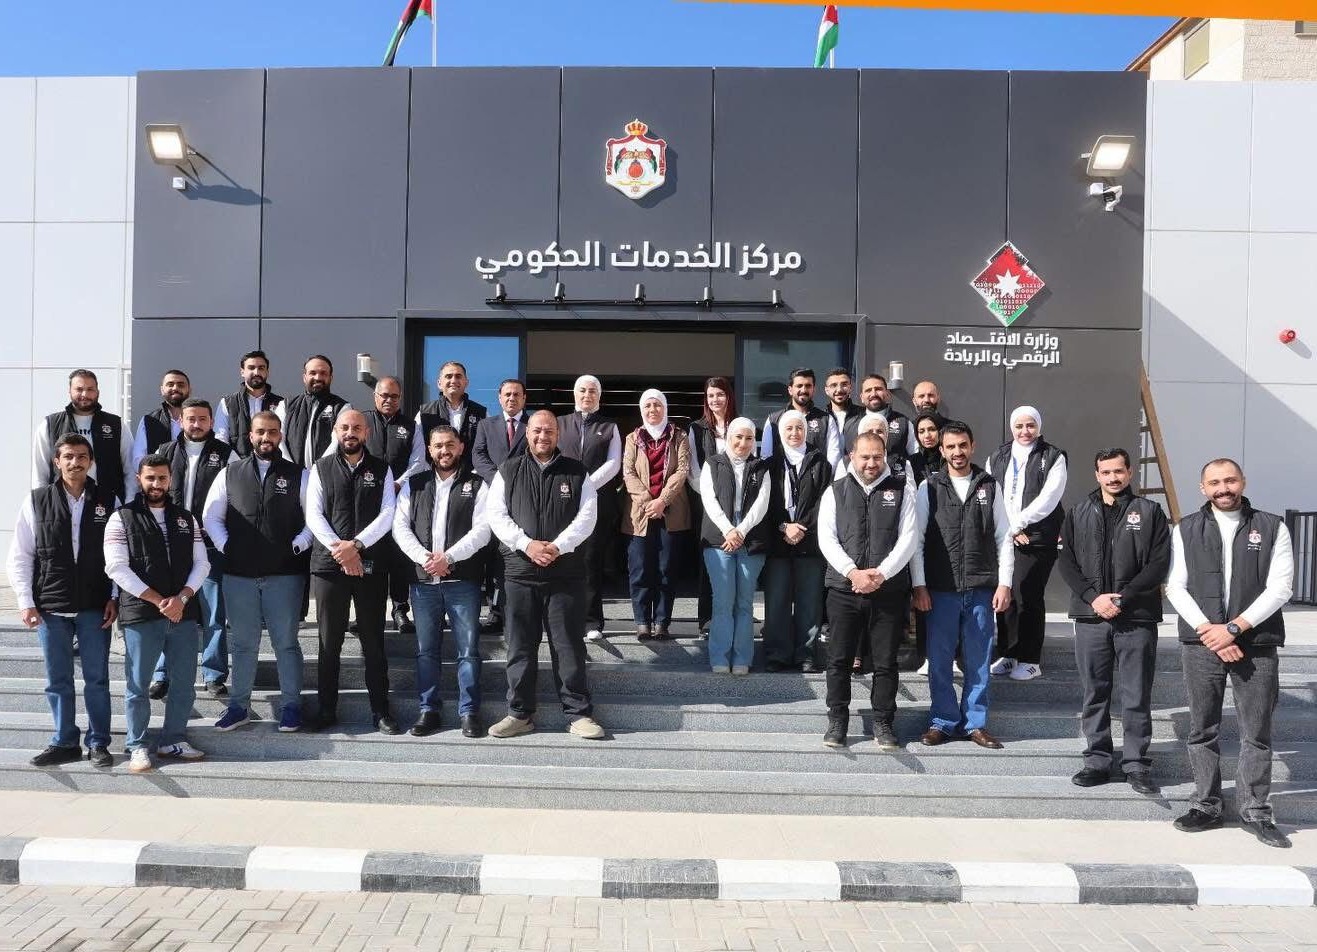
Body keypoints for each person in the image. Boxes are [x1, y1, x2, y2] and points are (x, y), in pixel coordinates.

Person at [1165, 458, 1294, 848]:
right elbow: (1175, 586)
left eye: (1230, 480)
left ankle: (1255, 810)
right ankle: (1206, 805)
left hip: (1256, 644)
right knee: (1202, 729)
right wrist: (1210, 632)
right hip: (1202, 643)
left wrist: (1234, 628)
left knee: (1257, 732)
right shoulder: (1186, 528)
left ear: (1243, 482)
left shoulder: (1272, 527)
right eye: (1215, 482)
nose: (1223, 488)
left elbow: (1280, 588)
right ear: (1203, 488)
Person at [1056, 448, 1170, 797]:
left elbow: (1159, 563)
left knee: (1136, 693)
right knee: (1095, 691)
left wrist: (1124, 597)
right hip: (1091, 616)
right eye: (1105, 472)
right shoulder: (1078, 512)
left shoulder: (1150, 512)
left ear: (1130, 472)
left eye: (1118, 471)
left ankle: (1136, 764)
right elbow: (1066, 562)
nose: (1113, 478)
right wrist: (1094, 598)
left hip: (1136, 616)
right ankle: (1097, 761)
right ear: (1097, 475)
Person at [485, 410, 605, 739]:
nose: (542, 436)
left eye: (549, 431)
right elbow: (496, 515)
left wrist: (557, 547)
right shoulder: (508, 470)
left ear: (558, 434)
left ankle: (578, 714)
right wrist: (527, 545)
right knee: (520, 647)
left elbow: (587, 517)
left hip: (565, 574)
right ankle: (519, 714)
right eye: (537, 430)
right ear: (527, 434)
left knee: (568, 646)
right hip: (520, 574)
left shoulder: (577, 472)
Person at [5, 434, 118, 768]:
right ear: (57, 461)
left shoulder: (108, 500)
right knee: (58, 680)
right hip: (51, 607)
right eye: (68, 456)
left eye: (82, 456)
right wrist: (25, 601)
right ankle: (64, 741)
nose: (75, 462)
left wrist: (114, 596)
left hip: (94, 605)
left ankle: (98, 742)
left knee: (97, 679)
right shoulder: (37, 500)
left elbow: (118, 555)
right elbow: (21, 556)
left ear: (91, 461)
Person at [202, 410, 313, 734]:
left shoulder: (298, 475)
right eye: (260, 432)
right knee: (243, 645)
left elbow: (314, 519)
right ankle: (239, 708)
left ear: (280, 436)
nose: (266, 438)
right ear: (250, 436)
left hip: (285, 575)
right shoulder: (230, 473)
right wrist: (227, 546)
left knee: (286, 644)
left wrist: (297, 546)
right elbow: (211, 517)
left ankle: (291, 707)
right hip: (239, 576)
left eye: (272, 432)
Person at [104, 453, 210, 773]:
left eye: (162, 478)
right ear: (139, 479)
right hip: (142, 613)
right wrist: (158, 600)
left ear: (170, 479)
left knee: (184, 683)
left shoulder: (186, 518)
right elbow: (116, 567)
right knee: (138, 683)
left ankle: (172, 739)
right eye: (150, 477)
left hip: (182, 613)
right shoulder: (121, 517)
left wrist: (182, 598)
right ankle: (137, 745)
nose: (156, 483)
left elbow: (202, 563)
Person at [912, 421, 1014, 750]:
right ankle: (942, 721)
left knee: (978, 660)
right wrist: (919, 585)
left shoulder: (989, 486)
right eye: (951, 447)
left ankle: (975, 723)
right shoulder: (929, 487)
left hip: (981, 587)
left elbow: (1004, 537)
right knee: (939, 659)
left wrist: (1005, 584)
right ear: (941, 451)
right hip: (940, 589)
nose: (958, 452)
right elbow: (917, 540)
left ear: (972, 446)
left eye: (962, 445)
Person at [818, 430, 918, 749]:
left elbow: (909, 538)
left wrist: (881, 574)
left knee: (886, 663)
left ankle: (883, 722)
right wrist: (853, 572)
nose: (871, 463)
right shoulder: (835, 491)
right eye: (865, 457)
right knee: (839, 660)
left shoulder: (902, 491)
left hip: (887, 591)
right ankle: (837, 721)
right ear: (852, 456)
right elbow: (826, 538)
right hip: (843, 589)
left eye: (877, 456)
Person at [393, 424, 491, 738]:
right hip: (423, 582)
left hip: (463, 581)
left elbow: (483, 530)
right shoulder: (414, 485)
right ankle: (428, 710)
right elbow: (400, 527)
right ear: (429, 450)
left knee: (468, 651)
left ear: (461, 447)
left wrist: (448, 558)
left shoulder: (477, 485)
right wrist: (425, 558)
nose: (444, 451)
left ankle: (469, 712)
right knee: (426, 651)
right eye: (438, 446)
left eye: (450, 444)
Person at [306, 409, 399, 734]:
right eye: (344, 427)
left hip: (370, 566)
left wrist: (356, 546)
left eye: (356, 427)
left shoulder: (382, 469)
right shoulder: (321, 468)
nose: (350, 432)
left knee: (373, 642)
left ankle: (380, 710)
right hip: (329, 567)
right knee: (329, 643)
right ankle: (326, 710)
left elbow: (388, 513)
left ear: (366, 432)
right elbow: (314, 514)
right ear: (336, 431)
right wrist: (342, 551)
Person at [149, 398, 232, 701]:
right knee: (166, 608)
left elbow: (235, 499)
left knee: (213, 613)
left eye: (202, 419)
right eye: (190, 419)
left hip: (210, 545)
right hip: (171, 545)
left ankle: (214, 674)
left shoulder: (227, 454)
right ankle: (161, 674)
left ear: (211, 422)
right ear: (181, 421)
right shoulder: (164, 452)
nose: (196, 425)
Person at [987, 406, 1068, 682]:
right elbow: (992, 494)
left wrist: (1018, 524)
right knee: (1005, 594)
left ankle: (1030, 659)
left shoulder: (1053, 456)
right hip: (1006, 535)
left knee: (1028, 595)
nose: (1025, 431)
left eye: (1030, 425)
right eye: (1019, 426)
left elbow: (1049, 497)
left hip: (1037, 537)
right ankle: (1008, 654)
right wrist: (1009, 528)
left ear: (1039, 427)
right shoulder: (997, 456)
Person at [699, 417, 771, 675]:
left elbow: (762, 503)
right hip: (719, 537)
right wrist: (729, 529)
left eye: (749, 438)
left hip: (750, 536)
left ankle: (742, 657)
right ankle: (720, 656)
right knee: (723, 601)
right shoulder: (713, 463)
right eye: (738, 437)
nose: (743, 442)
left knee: (744, 602)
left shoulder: (761, 467)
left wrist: (740, 530)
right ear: (728, 438)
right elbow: (709, 499)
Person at [762, 410, 831, 672]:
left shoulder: (821, 463)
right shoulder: (770, 464)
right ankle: (777, 653)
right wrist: (784, 526)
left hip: (809, 542)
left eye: (799, 428)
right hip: (778, 543)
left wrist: (802, 527)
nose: (794, 433)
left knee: (809, 602)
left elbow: (824, 501)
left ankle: (807, 655)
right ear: (781, 432)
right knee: (777, 600)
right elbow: (766, 503)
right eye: (789, 428)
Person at [621, 389, 691, 640]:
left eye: (657, 405)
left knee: (666, 570)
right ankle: (642, 622)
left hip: (671, 512)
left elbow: (682, 470)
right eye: (648, 405)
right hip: (639, 514)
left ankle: (662, 622)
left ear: (665, 408)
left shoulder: (679, 436)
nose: (653, 410)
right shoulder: (632, 438)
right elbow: (628, 472)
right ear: (642, 410)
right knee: (639, 570)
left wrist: (662, 501)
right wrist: (648, 502)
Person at [557, 375, 622, 641]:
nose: (587, 395)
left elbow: (614, 463)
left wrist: (586, 486)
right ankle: (561, 619)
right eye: (582, 390)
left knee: (590, 562)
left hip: (596, 503)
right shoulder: (559, 423)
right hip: (562, 502)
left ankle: (591, 621)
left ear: (599, 395)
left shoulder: (610, 426)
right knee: (561, 559)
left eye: (592, 391)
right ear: (574, 394)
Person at [471, 378, 531, 633]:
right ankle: (494, 612)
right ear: (499, 398)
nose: (511, 398)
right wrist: (498, 480)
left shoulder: (532, 426)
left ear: (524, 398)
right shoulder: (486, 425)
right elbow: (478, 455)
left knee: (515, 555)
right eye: (507, 394)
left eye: (516, 394)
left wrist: (513, 481)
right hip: (492, 498)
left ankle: (517, 611)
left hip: (522, 498)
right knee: (492, 557)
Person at [362, 376, 418, 634]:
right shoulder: (362, 421)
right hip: (367, 499)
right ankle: (367, 612)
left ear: (400, 398)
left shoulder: (412, 426)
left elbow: (419, 461)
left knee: (399, 557)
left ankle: (399, 610)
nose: (389, 400)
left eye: (394, 396)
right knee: (369, 556)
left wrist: (398, 483)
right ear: (375, 396)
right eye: (384, 395)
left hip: (399, 498)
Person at [33, 369, 134, 501]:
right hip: (62, 504)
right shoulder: (50, 425)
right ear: (70, 391)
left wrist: (129, 504)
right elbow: (40, 472)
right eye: (79, 389)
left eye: (90, 389)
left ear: (98, 392)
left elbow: (130, 470)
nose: (85, 394)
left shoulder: (116, 425)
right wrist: (42, 504)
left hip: (107, 505)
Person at [687, 377, 736, 638]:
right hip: (706, 503)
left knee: (735, 559)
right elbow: (692, 468)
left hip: (737, 503)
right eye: (710, 395)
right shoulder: (696, 428)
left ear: (729, 396)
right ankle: (706, 619)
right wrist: (710, 496)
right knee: (710, 560)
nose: (715, 399)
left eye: (720, 394)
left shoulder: (740, 424)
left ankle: (734, 617)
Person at [409, 360, 486, 473]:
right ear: (439, 383)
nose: (453, 380)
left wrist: (475, 474)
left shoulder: (482, 413)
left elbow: (486, 449)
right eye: (448, 376)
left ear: (466, 382)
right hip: (434, 477)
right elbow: (416, 450)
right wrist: (430, 474)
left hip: (471, 478)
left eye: (458, 376)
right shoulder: (424, 413)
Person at [276, 355, 350, 468]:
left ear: (331, 377)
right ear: (304, 377)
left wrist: (319, 469)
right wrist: (291, 468)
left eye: (323, 373)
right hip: (291, 474)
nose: (318, 377)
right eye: (313, 373)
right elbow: (278, 438)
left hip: (326, 473)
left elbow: (337, 442)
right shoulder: (285, 406)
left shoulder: (342, 408)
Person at [761, 368, 839, 466]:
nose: (804, 390)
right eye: (799, 386)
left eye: (808, 386)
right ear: (790, 390)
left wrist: (822, 474)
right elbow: (766, 455)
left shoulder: (826, 420)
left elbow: (833, 456)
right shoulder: (774, 420)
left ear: (813, 389)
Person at [215, 349, 283, 457]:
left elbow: (283, 438)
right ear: (242, 372)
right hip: (237, 464)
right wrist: (235, 463)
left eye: (261, 368)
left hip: (273, 464)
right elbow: (220, 439)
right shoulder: (228, 403)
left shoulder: (280, 404)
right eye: (251, 368)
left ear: (267, 372)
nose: (256, 372)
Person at [842, 375, 918, 466]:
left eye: (878, 389)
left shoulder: (903, 423)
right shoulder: (849, 425)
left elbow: (915, 457)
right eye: (868, 390)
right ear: (861, 397)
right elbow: (845, 460)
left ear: (887, 394)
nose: (873, 394)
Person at [131, 370, 191, 470]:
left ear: (189, 390)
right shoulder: (149, 420)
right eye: (170, 384)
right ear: (162, 390)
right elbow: (139, 459)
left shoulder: (198, 420)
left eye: (181, 385)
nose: (175, 388)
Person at [822, 368, 863, 461]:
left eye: (844, 384)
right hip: (827, 469)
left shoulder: (863, 415)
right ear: (826, 390)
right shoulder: (820, 418)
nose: (839, 390)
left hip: (854, 467)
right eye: (834, 385)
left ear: (850, 388)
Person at [910, 412, 944, 485]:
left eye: (932, 429)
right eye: (921, 431)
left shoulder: (950, 459)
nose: (927, 435)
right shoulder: (911, 463)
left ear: (940, 431)